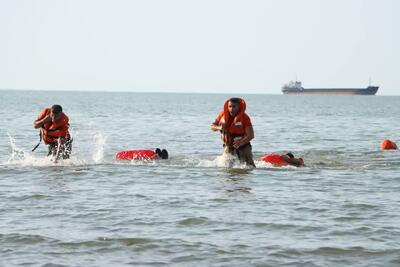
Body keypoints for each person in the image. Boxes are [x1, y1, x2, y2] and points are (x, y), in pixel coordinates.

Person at [211, 97, 255, 167]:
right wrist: (219, 127)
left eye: (234, 106)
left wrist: (241, 142)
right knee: (227, 169)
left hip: (243, 147)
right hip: (228, 147)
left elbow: (251, 135)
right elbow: (212, 126)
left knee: (250, 167)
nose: (231, 109)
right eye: (230, 106)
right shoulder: (222, 115)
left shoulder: (245, 118)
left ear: (239, 107)